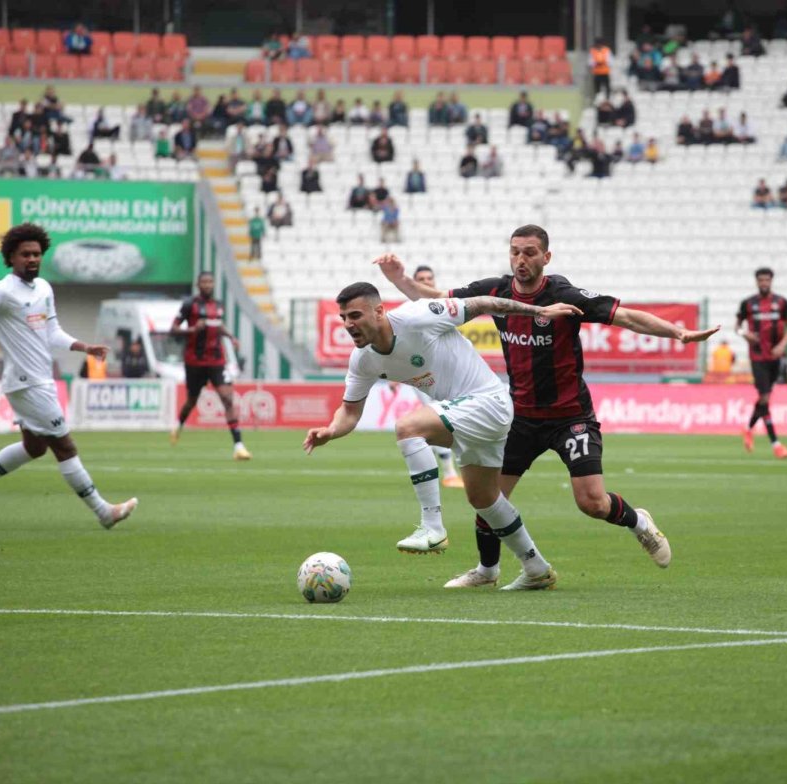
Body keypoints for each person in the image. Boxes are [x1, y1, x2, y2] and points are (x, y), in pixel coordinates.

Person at [376, 225, 720, 588]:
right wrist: (400, 279)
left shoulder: (565, 295)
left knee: (592, 503)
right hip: (520, 417)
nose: (520, 260)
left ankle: (639, 523)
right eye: (515, 252)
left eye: (528, 252)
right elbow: (434, 299)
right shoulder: (496, 291)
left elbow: (627, 317)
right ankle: (487, 571)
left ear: (546, 257)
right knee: (488, 498)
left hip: (569, 416)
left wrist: (678, 333)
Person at [303, 280, 582, 590]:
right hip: (465, 413)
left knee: (408, 427)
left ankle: (432, 526)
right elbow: (350, 412)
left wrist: (539, 311)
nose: (347, 324)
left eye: (355, 315)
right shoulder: (363, 360)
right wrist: (331, 429)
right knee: (484, 498)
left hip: (488, 401)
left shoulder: (418, 316)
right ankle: (536, 569)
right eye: (343, 318)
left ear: (379, 311)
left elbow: (484, 303)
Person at [0, 223, 138, 527]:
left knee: (35, 447)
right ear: (11, 257)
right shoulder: (0, 291)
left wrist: (84, 347)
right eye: (26, 254)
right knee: (65, 446)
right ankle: (104, 512)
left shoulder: (44, 289)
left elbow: (53, 333)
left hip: (39, 381)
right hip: (27, 383)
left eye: (37, 254)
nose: (33, 259)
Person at [169, 271, 251, 460]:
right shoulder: (190, 305)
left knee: (227, 398)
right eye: (204, 282)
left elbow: (218, 325)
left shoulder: (218, 305)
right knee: (191, 401)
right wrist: (192, 329)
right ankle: (178, 425)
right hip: (195, 362)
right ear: (198, 285)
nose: (207, 285)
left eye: (210, 282)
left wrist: (230, 336)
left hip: (216, 361)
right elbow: (173, 329)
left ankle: (239, 446)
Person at [409, 265, 463, 488]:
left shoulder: (443, 306)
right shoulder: (409, 309)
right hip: (421, 372)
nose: (426, 281)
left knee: (451, 419)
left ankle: (451, 468)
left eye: (429, 278)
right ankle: (449, 472)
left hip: (448, 372)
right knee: (438, 417)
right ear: (413, 281)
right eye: (421, 278)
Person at [736, 268, 787, 459]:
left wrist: (783, 345)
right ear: (756, 282)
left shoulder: (781, 303)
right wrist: (745, 334)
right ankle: (776, 444)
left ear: (771, 281)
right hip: (758, 357)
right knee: (765, 397)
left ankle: (748, 428)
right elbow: (737, 326)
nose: (764, 283)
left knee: (764, 398)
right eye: (761, 280)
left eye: (766, 280)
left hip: (775, 357)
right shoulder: (748, 303)